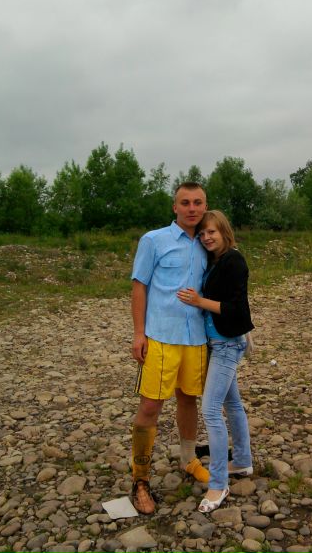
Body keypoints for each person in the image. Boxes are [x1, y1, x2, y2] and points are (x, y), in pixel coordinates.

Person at [130, 182, 210, 514]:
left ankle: (188, 459)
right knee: (151, 405)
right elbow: (139, 286)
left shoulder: (208, 241)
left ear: (205, 206)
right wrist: (139, 333)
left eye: (198, 202)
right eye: (185, 202)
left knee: (188, 398)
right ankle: (140, 479)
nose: (192, 208)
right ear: (175, 207)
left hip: (196, 337)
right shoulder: (154, 240)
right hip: (161, 336)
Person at [177, 209, 254, 513]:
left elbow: (236, 309)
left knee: (210, 410)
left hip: (227, 344)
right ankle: (243, 461)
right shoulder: (216, 260)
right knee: (232, 404)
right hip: (218, 342)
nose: (207, 237)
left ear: (224, 232)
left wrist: (199, 301)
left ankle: (218, 483)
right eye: (203, 233)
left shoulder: (234, 261)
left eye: (212, 232)